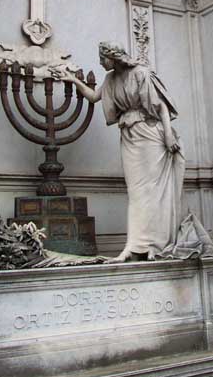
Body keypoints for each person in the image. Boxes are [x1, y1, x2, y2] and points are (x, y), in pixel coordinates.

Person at [57, 41, 185, 261]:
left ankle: (154, 244)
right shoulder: (110, 79)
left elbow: (161, 106)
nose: (99, 62)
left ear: (112, 56)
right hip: (129, 136)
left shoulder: (140, 73)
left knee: (152, 192)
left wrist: (168, 134)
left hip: (150, 135)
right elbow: (94, 97)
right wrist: (73, 80)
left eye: (102, 58)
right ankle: (134, 245)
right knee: (136, 192)